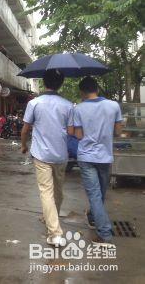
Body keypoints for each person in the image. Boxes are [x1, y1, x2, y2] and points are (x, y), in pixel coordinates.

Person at [21, 70, 74, 246]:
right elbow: (72, 132)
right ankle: (52, 221)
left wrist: (23, 145)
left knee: (46, 192)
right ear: (61, 84)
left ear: (44, 83)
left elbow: (25, 129)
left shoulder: (34, 103)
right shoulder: (68, 105)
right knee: (58, 192)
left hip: (41, 155)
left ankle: (55, 232)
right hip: (61, 155)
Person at [73, 77, 122, 247]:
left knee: (94, 195)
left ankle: (105, 233)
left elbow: (78, 135)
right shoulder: (114, 106)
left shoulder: (78, 109)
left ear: (82, 92)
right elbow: (118, 130)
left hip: (86, 157)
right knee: (99, 194)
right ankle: (94, 218)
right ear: (97, 89)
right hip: (105, 157)